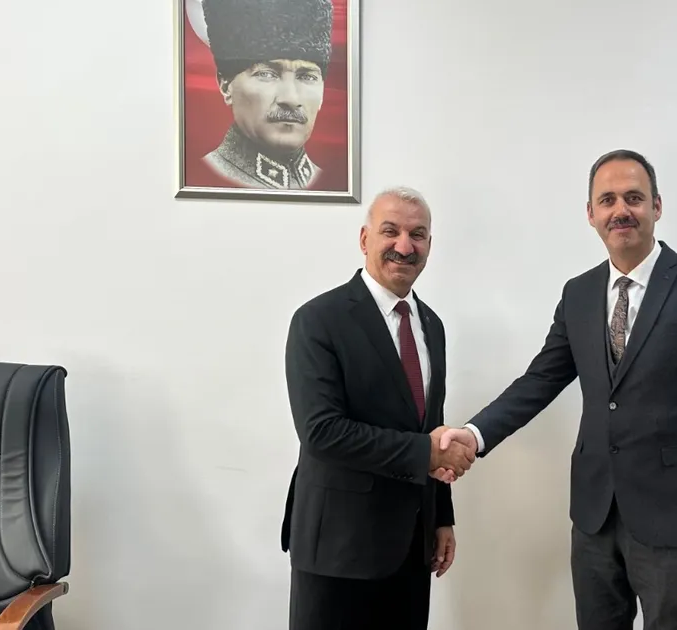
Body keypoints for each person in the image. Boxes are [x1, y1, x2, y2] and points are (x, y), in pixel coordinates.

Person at [438, 150, 677, 630]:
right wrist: (475, 434)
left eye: (634, 197)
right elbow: (541, 380)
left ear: (657, 206)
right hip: (594, 514)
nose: (620, 210)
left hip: (675, 517)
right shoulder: (579, 293)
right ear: (590, 214)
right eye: (607, 200)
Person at [281, 186, 475, 630]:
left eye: (417, 234)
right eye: (391, 231)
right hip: (337, 548)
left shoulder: (432, 326)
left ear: (429, 245)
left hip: (411, 546)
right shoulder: (318, 320)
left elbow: (431, 427)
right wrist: (426, 452)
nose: (404, 246)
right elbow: (322, 432)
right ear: (365, 238)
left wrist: (441, 518)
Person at [198, 0, 331, 189]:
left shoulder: (328, 181)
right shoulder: (204, 178)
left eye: (307, 77)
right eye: (267, 74)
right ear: (226, 85)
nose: (291, 99)